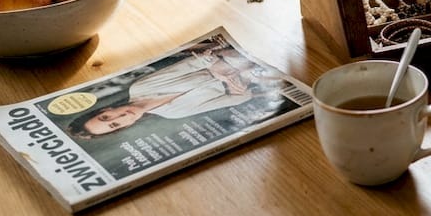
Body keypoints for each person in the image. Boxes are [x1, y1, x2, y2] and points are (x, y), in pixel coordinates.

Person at [67, 44, 276, 137]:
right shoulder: (174, 114)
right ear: (123, 127)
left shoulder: (140, 87)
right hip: (252, 77)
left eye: (107, 117)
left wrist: (217, 69)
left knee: (235, 60)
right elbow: (238, 99)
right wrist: (234, 86)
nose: (121, 117)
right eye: (114, 125)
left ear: (107, 108)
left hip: (230, 58)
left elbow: (198, 61)